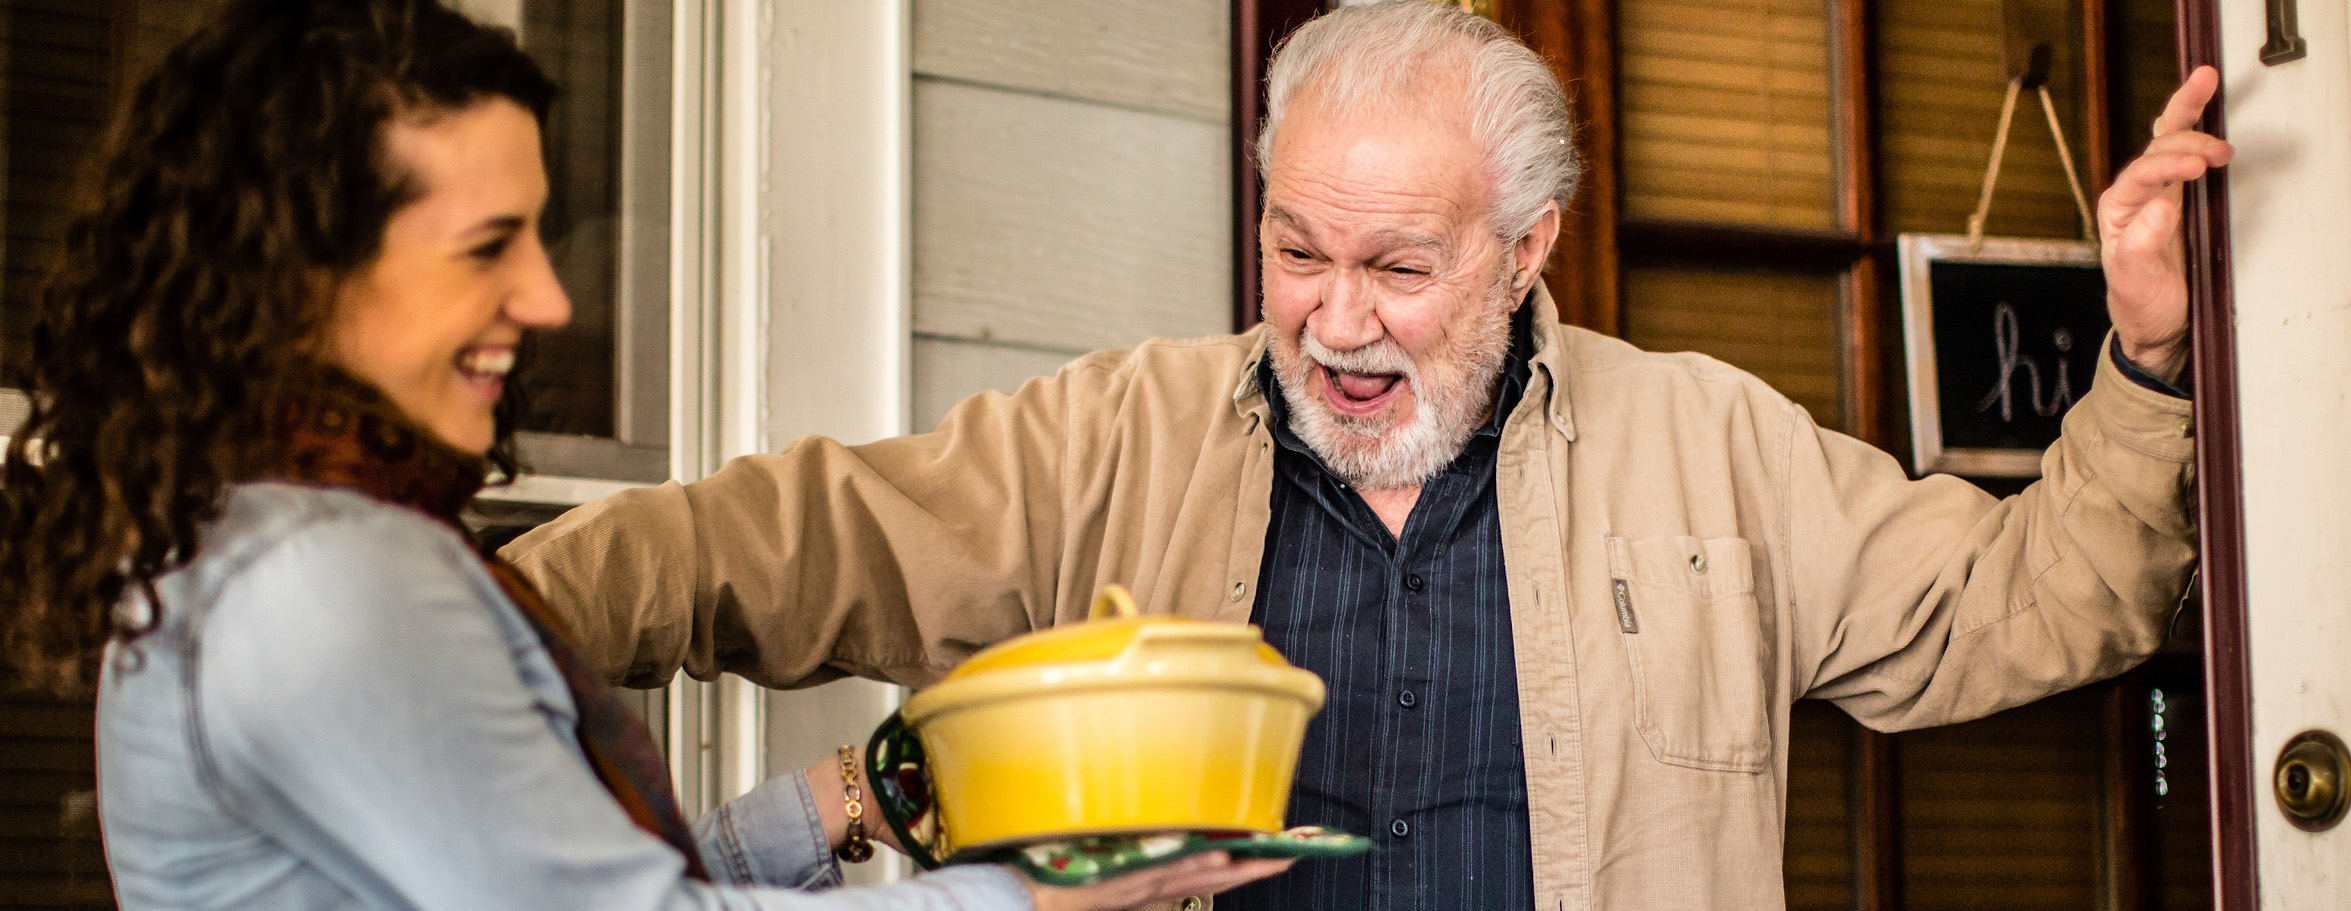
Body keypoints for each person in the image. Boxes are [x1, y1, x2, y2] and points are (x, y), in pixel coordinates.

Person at [504, 2, 2234, 909]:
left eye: (1400, 268)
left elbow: (2030, 603)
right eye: (1295, 249)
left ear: (1525, 250)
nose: (1334, 318)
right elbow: (781, 543)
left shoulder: (1711, 445)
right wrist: (462, 616)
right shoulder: (1113, 437)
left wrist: (2148, 353)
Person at [0, 2, 1286, 909]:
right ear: (309, 275)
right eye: (487, 245)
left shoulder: (274, 534)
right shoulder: (329, 585)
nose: (550, 298)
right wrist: (1022, 899)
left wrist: (857, 794)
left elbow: (554, 878)